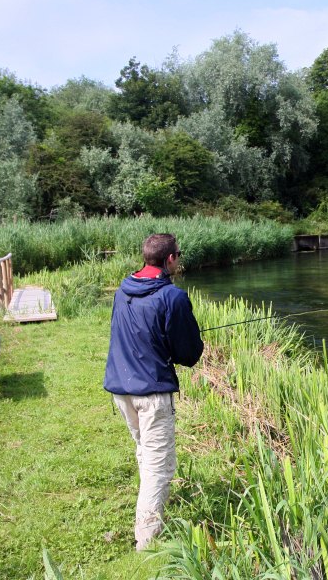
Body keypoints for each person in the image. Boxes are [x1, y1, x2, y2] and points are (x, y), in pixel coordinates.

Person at [103, 233, 203, 551]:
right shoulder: (172, 297)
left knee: (146, 452)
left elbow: (135, 333)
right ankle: (146, 541)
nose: (179, 260)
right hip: (152, 394)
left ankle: (149, 516)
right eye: (178, 255)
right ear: (170, 258)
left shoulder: (123, 289)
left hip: (121, 389)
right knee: (160, 466)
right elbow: (188, 354)